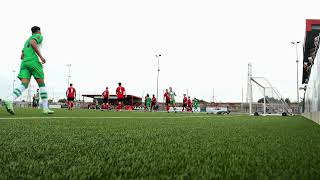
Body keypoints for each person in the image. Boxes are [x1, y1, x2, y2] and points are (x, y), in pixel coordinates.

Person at [3, 26, 53, 114]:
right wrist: (41, 57)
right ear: (38, 31)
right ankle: (45, 108)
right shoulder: (39, 36)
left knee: (24, 85)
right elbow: (33, 42)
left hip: (24, 63)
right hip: (33, 62)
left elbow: (21, 55)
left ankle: (10, 99)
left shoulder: (26, 42)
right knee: (42, 84)